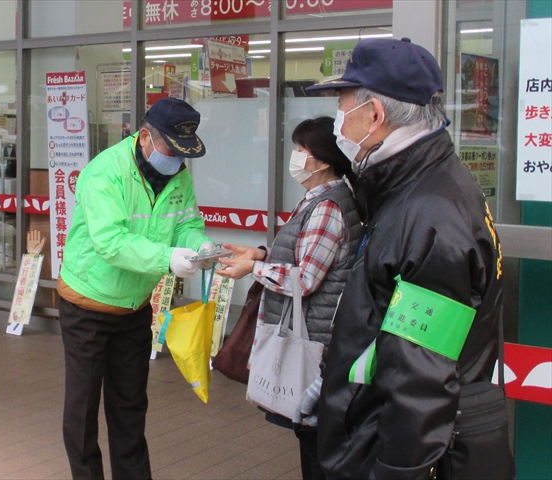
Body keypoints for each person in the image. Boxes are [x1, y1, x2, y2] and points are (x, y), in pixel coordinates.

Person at [306, 38, 513, 479]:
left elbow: (421, 385)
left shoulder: (432, 215)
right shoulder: (411, 189)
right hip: (372, 428)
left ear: (375, 115)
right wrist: (334, 386)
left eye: (343, 106)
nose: (338, 122)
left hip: (404, 453)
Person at [57, 97, 216, 480]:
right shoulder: (106, 172)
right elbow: (110, 241)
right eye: (170, 149)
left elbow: (187, 223)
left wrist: (199, 246)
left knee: (130, 407)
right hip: (87, 303)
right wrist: (167, 259)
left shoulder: (177, 175)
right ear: (145, 136)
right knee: (83, 410)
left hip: (134, 307)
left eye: (183, 154)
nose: (177, 161)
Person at [216, 116, 363, 480]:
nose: (295, 157)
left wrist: (253, 270)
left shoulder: (328, 207)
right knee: (314, 437)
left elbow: (307, 278)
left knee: (316, 441)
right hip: (320, 333)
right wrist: (262, 254)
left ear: (323, 160)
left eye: (301, 150)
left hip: (316, 341)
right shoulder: (322, 199)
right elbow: (305, 254)